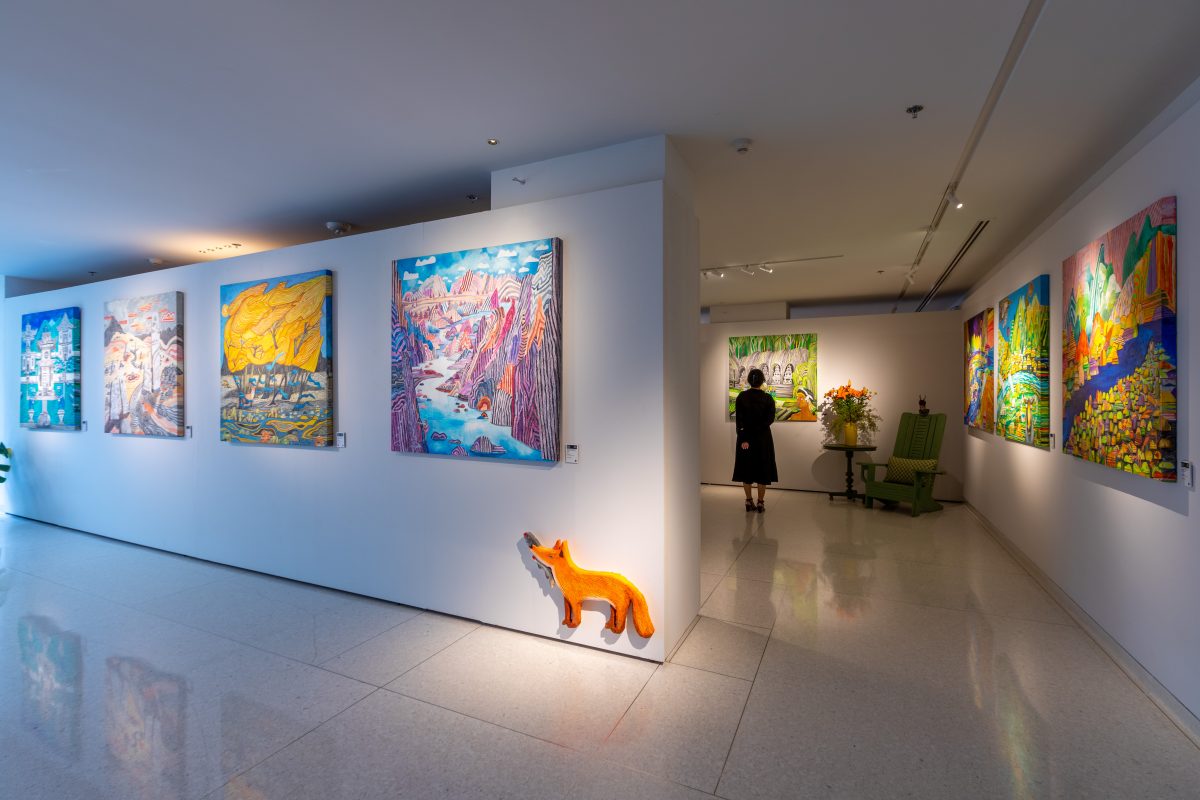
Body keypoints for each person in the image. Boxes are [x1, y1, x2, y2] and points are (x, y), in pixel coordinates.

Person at [732, 367, 778, 512]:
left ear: (748, 381)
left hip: (745, 440)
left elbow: (739, 421)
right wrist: (758, 430)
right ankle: (760, 503)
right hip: (763, 439)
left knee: (746, 470)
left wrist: (744, 438)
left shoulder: (741, 397)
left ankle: (748, 501)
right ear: (762, 381)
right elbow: (770, 419)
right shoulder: (768, 398)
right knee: (762, 471)